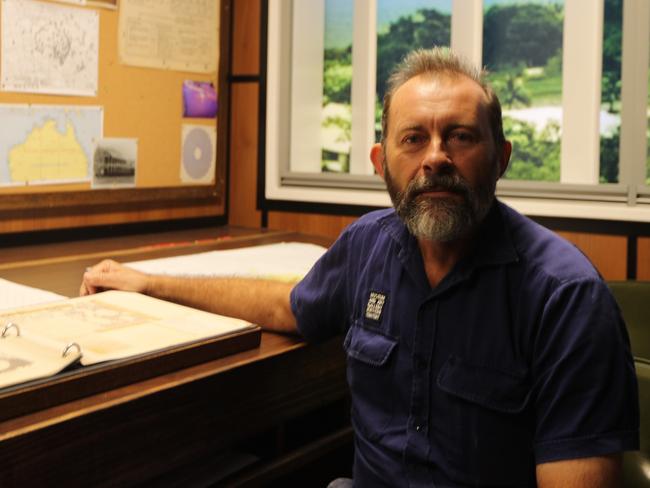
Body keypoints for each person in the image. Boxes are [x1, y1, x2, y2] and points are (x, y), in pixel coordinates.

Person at [80, 47, 639, 487]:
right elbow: (285, 305)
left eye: (461, 137)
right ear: (381, 163)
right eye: (413, 138)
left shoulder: (565, 297)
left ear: (502, 158)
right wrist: (150, 282)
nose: (436, 157)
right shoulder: (368, 246)